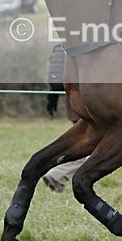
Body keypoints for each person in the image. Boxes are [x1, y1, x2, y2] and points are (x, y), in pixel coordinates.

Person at [41, 43, 87, 193]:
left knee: (88, 144)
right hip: (87, 103)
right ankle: (57, 174)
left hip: (72, 102)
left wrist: (51, 97)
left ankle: (61, 179)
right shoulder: (88, 46)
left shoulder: (65, 46)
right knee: (90, 144)